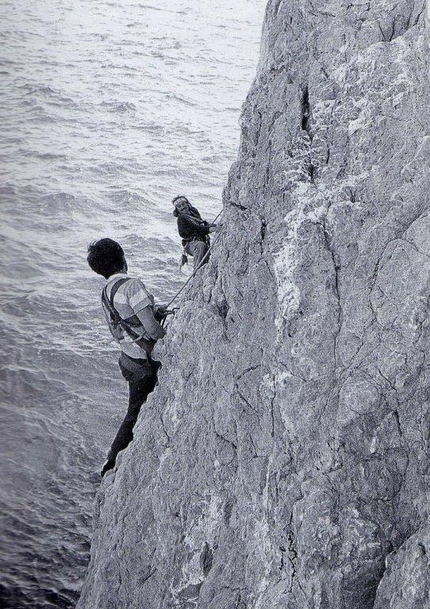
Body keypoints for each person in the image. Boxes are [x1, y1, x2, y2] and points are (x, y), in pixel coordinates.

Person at [87, 238, 167, 476]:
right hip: (143, 362)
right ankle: (112, 462)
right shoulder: (132, 286)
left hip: (127, 359)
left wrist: (151, 313)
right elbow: (153, 332)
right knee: (134, 413)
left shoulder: (107, 291)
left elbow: (119, 328)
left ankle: (115, 458)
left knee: (134, 409)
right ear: (122, 256)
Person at [172, 195, 217, 269]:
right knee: (200, 246)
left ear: (187, 204)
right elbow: (198, 230)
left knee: (205, 258)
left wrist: (214, 226)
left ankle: (203, 273)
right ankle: (197, 271)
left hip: (202, 240)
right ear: (177, 209)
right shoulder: (181, 220)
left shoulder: (193, 211)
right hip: (191, 244)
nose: (182, 207)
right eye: (179, 206)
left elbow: (201, 223)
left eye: (183, 204)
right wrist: (213, 229)